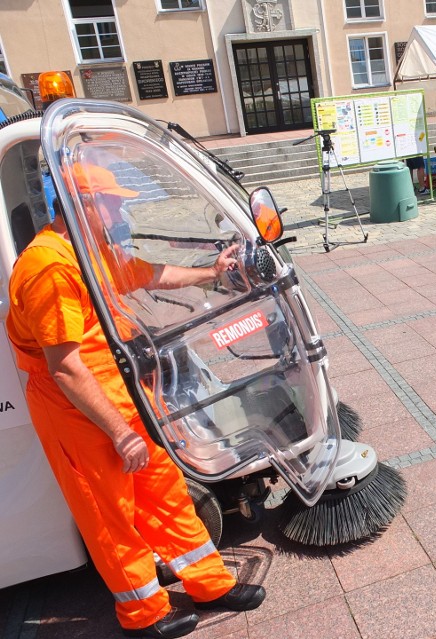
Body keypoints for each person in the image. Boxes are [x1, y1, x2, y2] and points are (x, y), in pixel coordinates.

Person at [6, 164, 266, 639]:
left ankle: (209, 584)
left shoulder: (88, 251)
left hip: (117, 394)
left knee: (161, 488)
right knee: (110, 512)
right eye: (111, 200)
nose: (120, 208)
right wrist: (120, 432)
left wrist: (213, 271)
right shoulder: (49, 267)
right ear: (84, 204)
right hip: (76, 409)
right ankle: (143, 615)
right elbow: (65, 366)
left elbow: (149, 274)